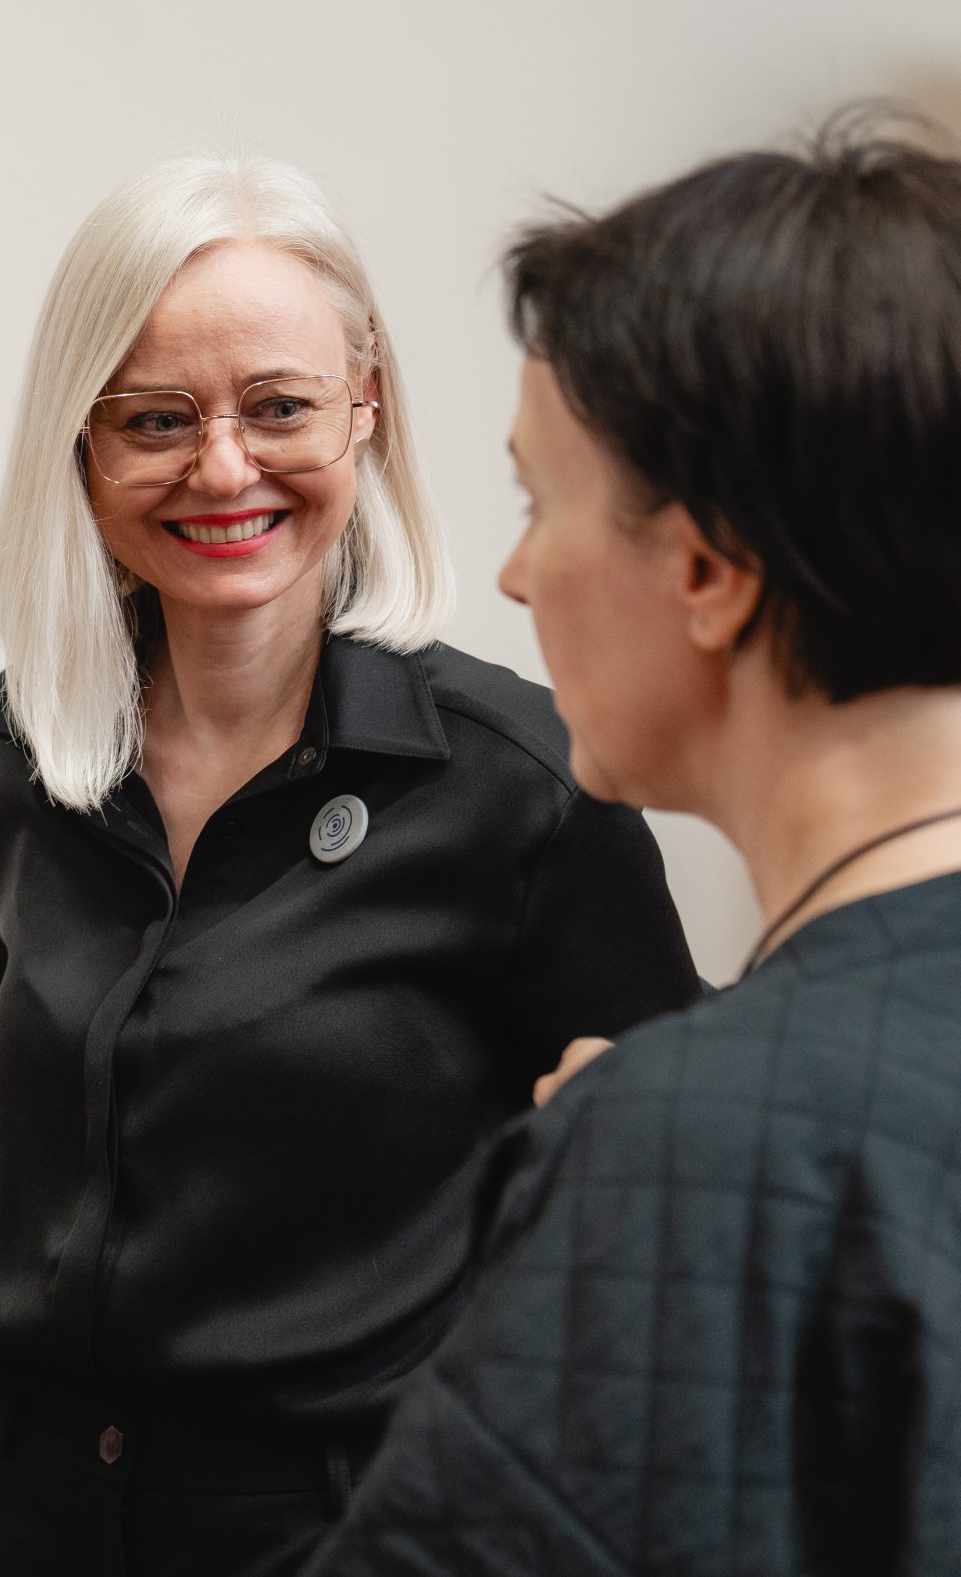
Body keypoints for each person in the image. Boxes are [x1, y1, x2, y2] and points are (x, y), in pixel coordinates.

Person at [0, 154, 703, 1576]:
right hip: (29, 1517)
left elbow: (668, 1214)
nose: (223, 468)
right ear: (82, 446)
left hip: (348, 1529)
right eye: (156, 419)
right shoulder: (21, 755)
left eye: (279, 407)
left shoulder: (524, 786)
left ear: (366, 409)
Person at [308, 122, 961, 1574]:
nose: (514, 572)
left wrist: (649, 1179)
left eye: (540, 500)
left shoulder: (694, 1149)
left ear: (707, 568)